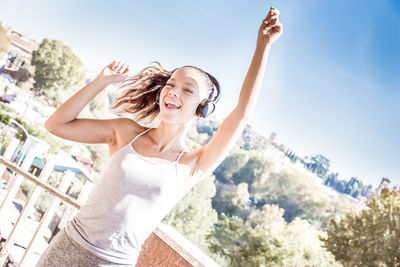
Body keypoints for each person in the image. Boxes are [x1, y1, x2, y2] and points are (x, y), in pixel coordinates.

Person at [36, 6, 283, 267]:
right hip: (67, 249)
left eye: (187, 90)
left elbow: (242, 114)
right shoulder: (124, 132)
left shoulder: (192, 165)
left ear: (202, 108)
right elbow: (56, 125)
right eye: (170, 85)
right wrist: (102, 81)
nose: (173, 92)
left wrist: (262, 46)